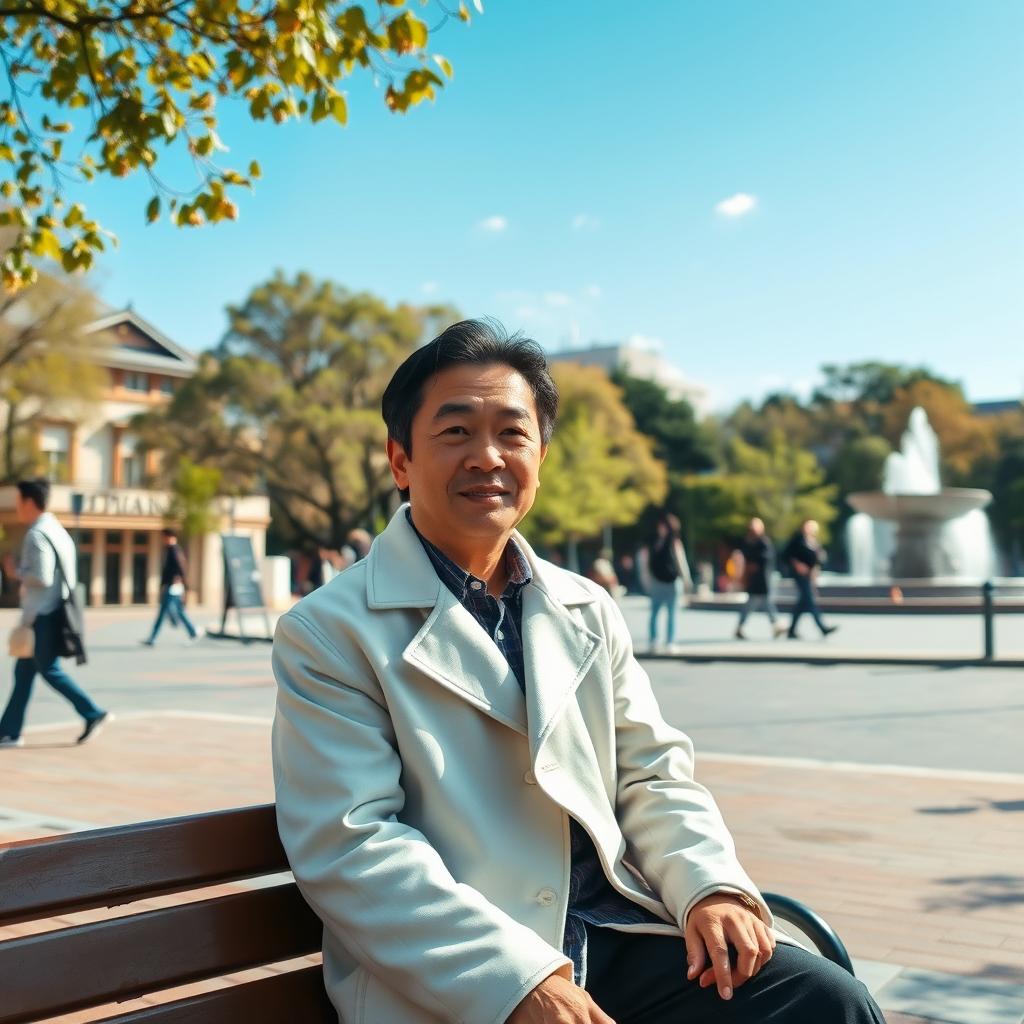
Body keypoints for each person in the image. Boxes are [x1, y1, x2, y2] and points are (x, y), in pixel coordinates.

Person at [272, 320, 883, 1024]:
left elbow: (651, 772)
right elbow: (353, 846)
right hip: (463, 975)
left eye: (512, 432)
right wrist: (516, 981)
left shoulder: (585, 606)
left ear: (540, 456)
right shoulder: (329, 630)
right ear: (400, 460)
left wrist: (708, 884)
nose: (488, 456)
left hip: (616, 937)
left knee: (827, 1003)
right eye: (455, 432)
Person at [0, 478, 110, 748]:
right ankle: (9, 731)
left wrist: (16, 573)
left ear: (28, 502)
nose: (17, 507)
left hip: (43, 614)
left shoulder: (36, 534)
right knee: (24, 672)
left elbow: (43, 576)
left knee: (48, 669)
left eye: (18, 501)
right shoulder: (57, 529)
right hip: (55, 609)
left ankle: (92, 712)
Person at [639, 512, 693, 652]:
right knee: (654, 613)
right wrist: (646, 582)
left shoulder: (674, 542)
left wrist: (686, 580)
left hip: (672, 582)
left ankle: (670, 642)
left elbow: (681, 562)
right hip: (657, 582)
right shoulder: (651, 542)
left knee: (671, 614)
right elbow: (645, 563)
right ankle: (653, 641)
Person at [140, 528, 198, 647]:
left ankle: (153, 637)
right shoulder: (172, 550)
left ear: (169, 537)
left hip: (172, 587)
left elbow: (180, 568)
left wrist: (180, 582)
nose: (163, 540)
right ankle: (192, 631)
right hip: (173, 586)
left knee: (163, 613)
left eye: (164, 537)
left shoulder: (174, 550)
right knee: (179, 611)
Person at [783, 519, 838, 640]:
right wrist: (797, 564)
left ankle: (791, 630)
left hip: (809, 575)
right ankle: (822, 627)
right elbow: (786, 555)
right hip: (800, 575)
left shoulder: (814, 541)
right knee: (810, 601)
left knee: (802, 602)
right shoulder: (798, 539)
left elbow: (818, 559)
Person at [735, 517, 786, 640]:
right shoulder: (749, 542)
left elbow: (765, 559)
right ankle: (775, 624)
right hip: (754, 580)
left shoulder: (764, 542)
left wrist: (753, 565)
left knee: (763, 602)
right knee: (755, 603)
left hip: (763, 578)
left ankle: (775, 624)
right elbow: (743, 556)